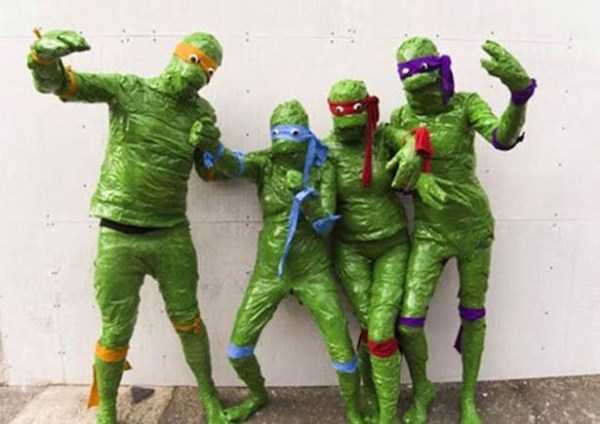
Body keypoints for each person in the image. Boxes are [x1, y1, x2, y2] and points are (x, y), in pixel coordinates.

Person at [27, 28, 231, 424]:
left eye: (209, 72)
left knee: (189, 321)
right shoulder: (128, 90)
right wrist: (43, 60)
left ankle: (209, 396)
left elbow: (209, 174)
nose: (200, 75)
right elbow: (62, 86)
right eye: (197, 62)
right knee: (115, 330)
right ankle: (106, 410)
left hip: (172, 234)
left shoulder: (202, 113)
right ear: (178, 55)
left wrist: (213, 148)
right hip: (118, 235)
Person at [387, 37, 536, 424]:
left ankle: (468, 397)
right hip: (430, 233)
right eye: (413, 91)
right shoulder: (400, 119)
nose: (422, 98)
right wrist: (415, 176)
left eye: (428, 88)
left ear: (442, 76)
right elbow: (393, 175)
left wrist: (519, 96)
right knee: (408, 322)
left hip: (473, 228)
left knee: (472, 312)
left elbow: (502, 138)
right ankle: (423, 389)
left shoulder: (465, 105)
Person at [191, 99, 364, 424]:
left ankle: (354, 410)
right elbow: (234, 165)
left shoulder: (323, 167)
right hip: (270, 272)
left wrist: (306, 196)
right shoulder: (266, 163)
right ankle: (258, 394)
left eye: (292, 142)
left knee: (342, 350)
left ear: (305, 136)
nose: (285, 151)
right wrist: (212, 145)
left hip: (313, 272)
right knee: (237, 351)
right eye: (278, 141)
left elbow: (326, 226)